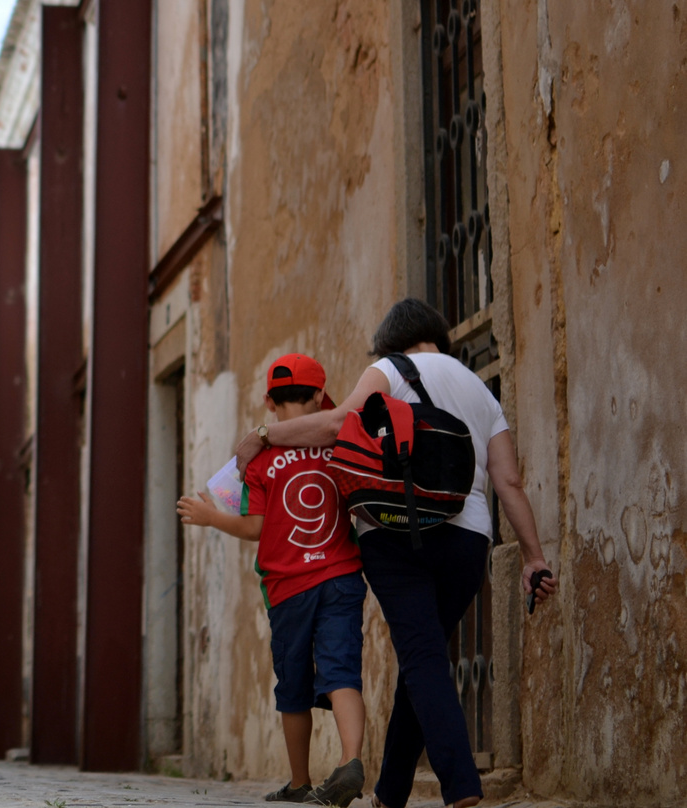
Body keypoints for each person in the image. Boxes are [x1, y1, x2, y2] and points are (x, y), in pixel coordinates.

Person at [232, 299, 558, 808]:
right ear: (439, 339)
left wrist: (263, 436)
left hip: (393, 531)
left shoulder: (388, 369)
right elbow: (508, 481)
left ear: (389, 342)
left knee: (422, 654)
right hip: (467, 539)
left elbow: (340, 423)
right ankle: (390, 793)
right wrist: (535, 557)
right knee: (422, 655)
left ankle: (461, 787)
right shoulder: (480, 391)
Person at [180, 354, 367, 806]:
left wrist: (210, 517)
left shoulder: (261, 462)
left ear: (269, 402)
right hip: (342, 575)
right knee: (342, 669)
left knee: (293, 685)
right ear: (321, 397)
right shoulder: (338, 441)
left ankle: (300, 782)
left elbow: (255, 528)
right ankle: (350, 760)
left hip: (288, 588)